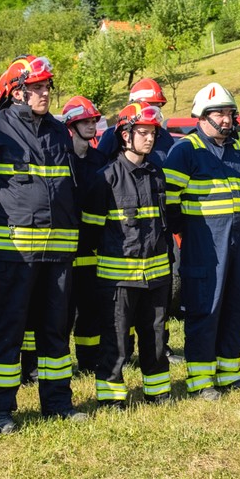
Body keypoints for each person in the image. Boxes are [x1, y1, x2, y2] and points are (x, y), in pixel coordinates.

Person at [0, 55, 83, 431]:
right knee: (6, 332)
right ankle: (0, 410)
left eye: (47, 87)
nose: (45, 93)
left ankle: (58, 401)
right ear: (16, 92)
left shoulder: (59, 132)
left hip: (57, 254)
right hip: (10, 254)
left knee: (55, 331)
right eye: (37, 88)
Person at [164, 82, 240, 395]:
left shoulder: (237, 149)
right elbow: (170, 203)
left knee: (236, 307)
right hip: (204, 246)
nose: (227, 119)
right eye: (220, 113)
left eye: (230, 113)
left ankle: (229, 373)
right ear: (202, 116)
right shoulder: (185, 150)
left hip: (238, 243)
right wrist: (191, 235)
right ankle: (201, 380)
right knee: (206, 309)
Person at [83, 103, 173, 404]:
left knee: (156, 336)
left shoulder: (156, 174)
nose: (149, 139)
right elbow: (91, 232)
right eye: (142, 133)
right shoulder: (105, 178)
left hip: (157, 276)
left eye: (152, 133)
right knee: (116, 339)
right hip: (118, 278)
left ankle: (158, 391)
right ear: (125, 136)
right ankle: (111, 397)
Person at [60, 96, 109, 373]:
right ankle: (59, 361)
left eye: (93, 121)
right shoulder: (59, 159)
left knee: (90, 307)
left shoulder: (99, 160)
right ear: (71, 126)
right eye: (85, 121)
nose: (91, 125)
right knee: (61, 310)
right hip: (63, 247)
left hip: (91, 248)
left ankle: (89, 362)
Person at [96, 78, 176, 158]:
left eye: (158, 107)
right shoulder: (113, 135)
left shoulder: (165, 137)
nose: (154, 113)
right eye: (149, 107)